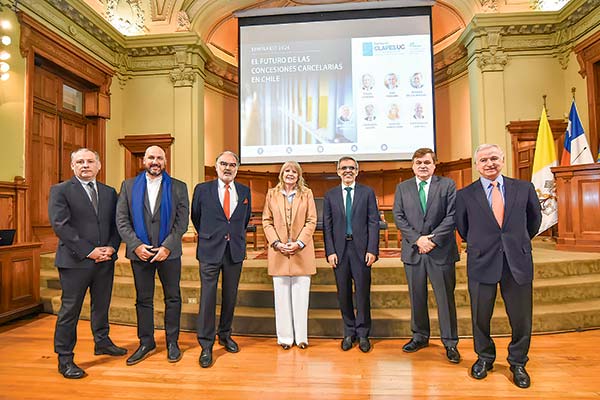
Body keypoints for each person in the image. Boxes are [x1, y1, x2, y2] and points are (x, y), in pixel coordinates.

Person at [455, 144, 541, 389]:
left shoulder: (523, 188)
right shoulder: (465, 195)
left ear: (502, 160)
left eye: (494, 158)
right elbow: (463, 227)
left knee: (521, 317)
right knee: (480, 316)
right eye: (484, 160)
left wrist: (516, 242)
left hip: (518, 261)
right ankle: (484, 357)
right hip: (482, 261)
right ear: (476, 165)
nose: (489, 163)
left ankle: (518, 362)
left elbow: (534, 222)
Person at [48, 148, 125, 379]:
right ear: (72, 166)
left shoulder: (109, 192)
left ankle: (101, 341)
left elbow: (117, 224)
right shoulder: (60, 190)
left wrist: (111, 247)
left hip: (105, 260)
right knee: (69, 311)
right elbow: (61, 225)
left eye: (90, 161)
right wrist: (89, 251)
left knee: (101, 305)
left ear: (98, 166)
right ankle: (65, 358)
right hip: (74, 262)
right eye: (79, 162)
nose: (85, 165)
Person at [116, 145, 189, 366]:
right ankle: (146, 342)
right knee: (143, 300)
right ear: (144, 160)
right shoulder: (128, 186)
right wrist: (135, 245)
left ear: (165, 161)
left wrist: (167, 246)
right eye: (151, 157)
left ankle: (172, 342)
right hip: (140, 253)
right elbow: (121, 219)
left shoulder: (178, 187)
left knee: (173, 298)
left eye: (159, 158)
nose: (155, 161)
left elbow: (182, 222)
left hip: (169, 253)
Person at [393, 148, 460, 364]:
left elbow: (452, 215)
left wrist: (432, 240)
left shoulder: (447, 185)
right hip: (413, 251)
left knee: (445, 299)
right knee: (417, 296)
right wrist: (418, 239)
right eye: (418, 162)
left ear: (434, 165)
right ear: (413, 165)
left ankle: (450, 343)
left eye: (427, 162)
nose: (423, 166)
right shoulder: (402, 188)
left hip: (440, 251)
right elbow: (399, 216)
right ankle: (420, 336)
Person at [192, 151, 252, 368]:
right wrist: (211, 235)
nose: (228, 168)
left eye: (232, 164)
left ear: (237, 168)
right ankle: (206, 344)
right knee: (208, 297)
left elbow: (243, 220)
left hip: (234, 250)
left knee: (230, 295)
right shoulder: (202, 189)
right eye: (223, 164)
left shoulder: (245, 191)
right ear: (216, 166)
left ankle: (225, 335)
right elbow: (196, 217)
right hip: (210, 249)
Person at [323, 156, 379, 353]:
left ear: (357, 170)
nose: (347, 171)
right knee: (343, 293)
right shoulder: (330, 195)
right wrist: (330, 251)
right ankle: (349, 332)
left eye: (351, 168)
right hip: (339, 252)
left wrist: (372, 249)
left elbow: (373, 222)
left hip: (362, 251)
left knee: (363, 293)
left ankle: (363, 333)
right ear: (338, 171)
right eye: (344, 168)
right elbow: (327, 227)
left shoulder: (367, 193)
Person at [262, 161, 317, 350]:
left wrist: (299, 242)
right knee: (281, 298)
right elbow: (266, 221)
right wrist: (276, 243)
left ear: (299, 175)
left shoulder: (307, 194)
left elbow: (311, 220)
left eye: (294, 171)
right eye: (287, 170)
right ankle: (285, 338)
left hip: (301, 251)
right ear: (281, 174)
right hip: (279, 252)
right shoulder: (272, 194)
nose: (290, 174)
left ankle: (301, 337)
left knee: (301, 298)